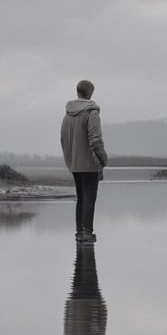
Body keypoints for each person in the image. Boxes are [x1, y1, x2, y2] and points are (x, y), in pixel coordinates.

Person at [61, 80, 108, 243]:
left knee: (81, 198)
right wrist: (103, 160)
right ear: (91, 93)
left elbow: (63, 140)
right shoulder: (91, 113)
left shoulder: (67, 115)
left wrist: (70, 161)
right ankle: (87, 233)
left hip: (74, 163)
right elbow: (95, 141)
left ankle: (80, 232)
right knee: (89, 198)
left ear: (78, 92)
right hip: (89, 164)